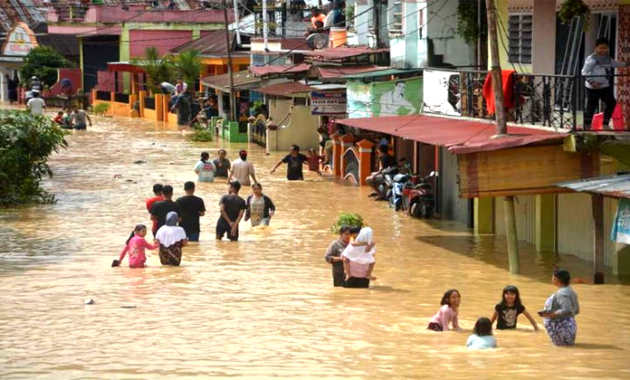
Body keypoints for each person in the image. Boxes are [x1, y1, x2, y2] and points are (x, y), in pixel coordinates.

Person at [582, 37, 629, 130]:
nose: (603, 50)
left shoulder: (608, 58)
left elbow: (616, 64)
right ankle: (586, 126)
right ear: (596, 48)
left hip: (605, 86)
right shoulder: (591, 59)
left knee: (611, 103)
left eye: (605, 48)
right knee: (591, 107)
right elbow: (584, 72)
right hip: (593, 88)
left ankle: (605, 123)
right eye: (601, 48)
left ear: (607, 48)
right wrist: (592, 82)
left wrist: (626, 64)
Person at [540, 268, 580, 346]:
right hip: (570, 325)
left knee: (561, 349)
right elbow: (577, 310)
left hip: (561, 327)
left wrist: (550, 315)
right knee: (566, 349)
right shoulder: (572, 291)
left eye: (553, 278)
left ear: (556, 279)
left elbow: (567, 309)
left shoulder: (561, 293)